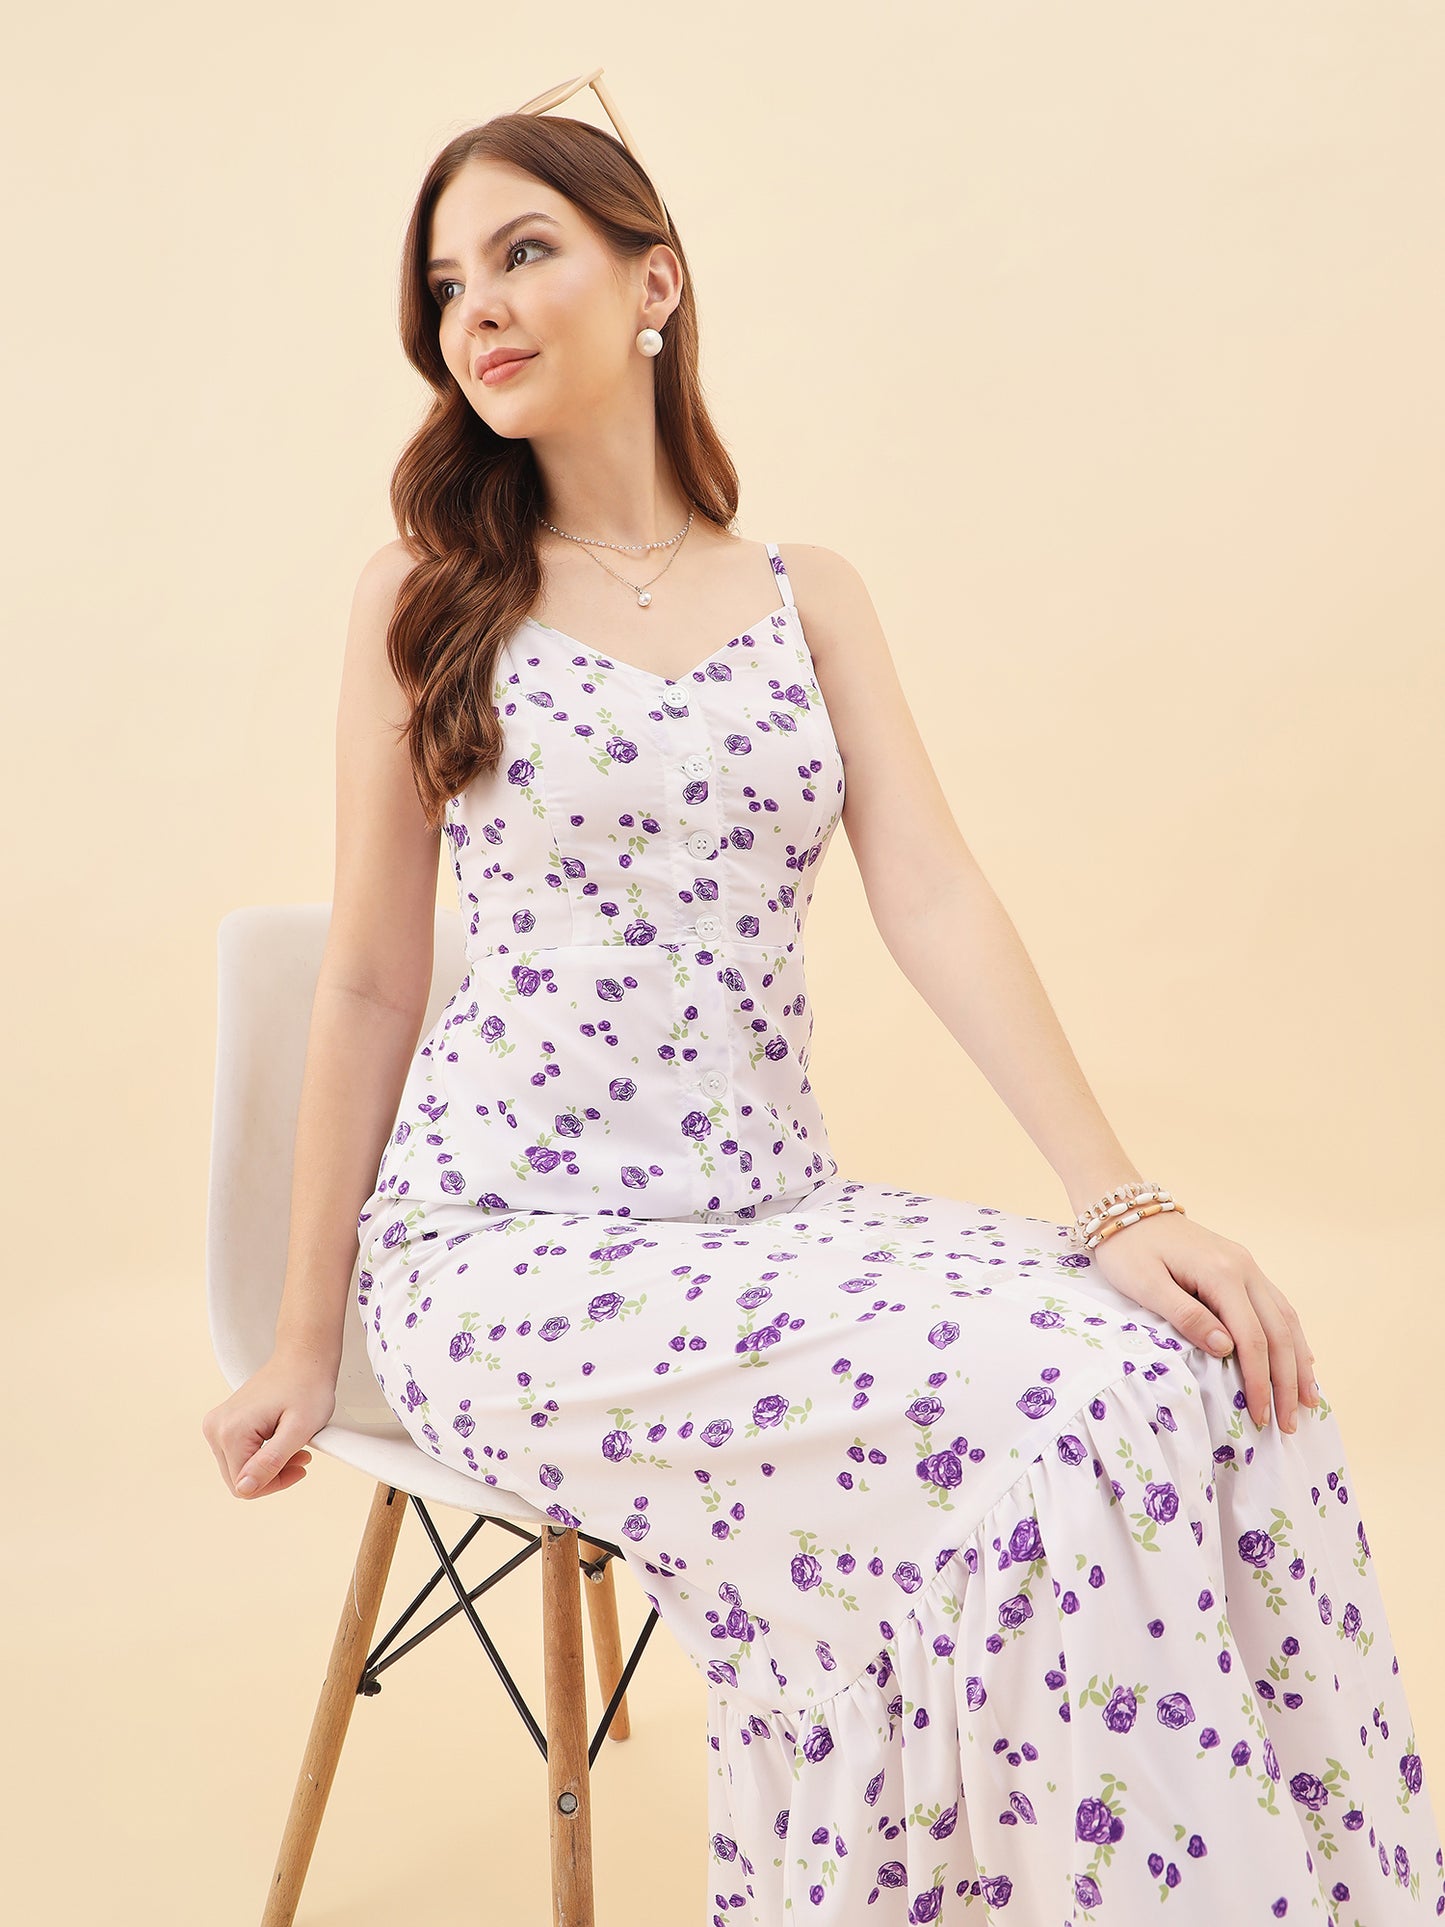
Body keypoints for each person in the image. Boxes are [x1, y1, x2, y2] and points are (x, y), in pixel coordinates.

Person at [202, 97, 1443, 1925]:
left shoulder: (807, 597)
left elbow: (932, 897)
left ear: (657, 280)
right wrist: (308, 1339)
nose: (477, 307)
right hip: (514, 1253)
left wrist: (1122, 1204)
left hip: (776, 1224)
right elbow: (378, 981)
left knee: (1199, 1370)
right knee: (1033, 1423)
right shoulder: (423, 601)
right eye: (446, 284)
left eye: (524, 251)